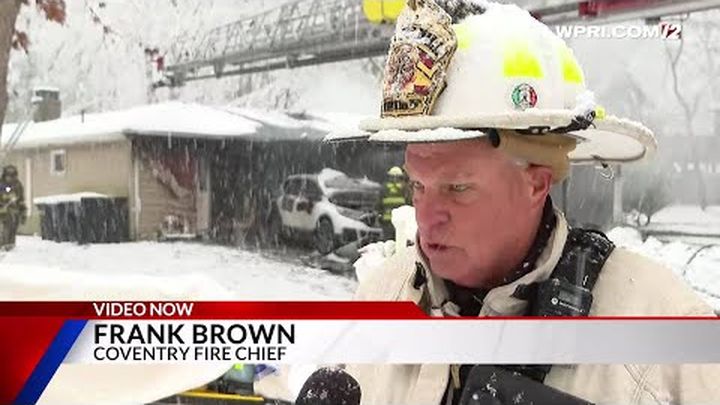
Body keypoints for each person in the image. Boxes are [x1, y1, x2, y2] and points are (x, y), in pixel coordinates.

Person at [326, 0, 720, 404]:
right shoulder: (381, 295)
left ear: (536, 183)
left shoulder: (663, 337)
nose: (426, 219)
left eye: (457, 188)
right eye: (418, 185)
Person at [0, 164, 26, 249]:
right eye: (8, 175)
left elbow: (21, 199)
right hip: (3, 210)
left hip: (14, 210)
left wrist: (23, 211)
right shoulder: (1, 184)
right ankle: (3, 243)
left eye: (12, 176)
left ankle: (10, 244)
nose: (10, 178)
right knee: (5, 226)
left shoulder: (18, 185)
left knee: (13, 226)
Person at [380, 166, 409, 240]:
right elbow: (409, 204)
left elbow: (379, 204)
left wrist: (379, 215)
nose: (394, 179)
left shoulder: (384, 188)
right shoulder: (405, 189)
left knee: (388, 242)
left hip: (389, 221)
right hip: (399, 222)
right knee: (399, 241)